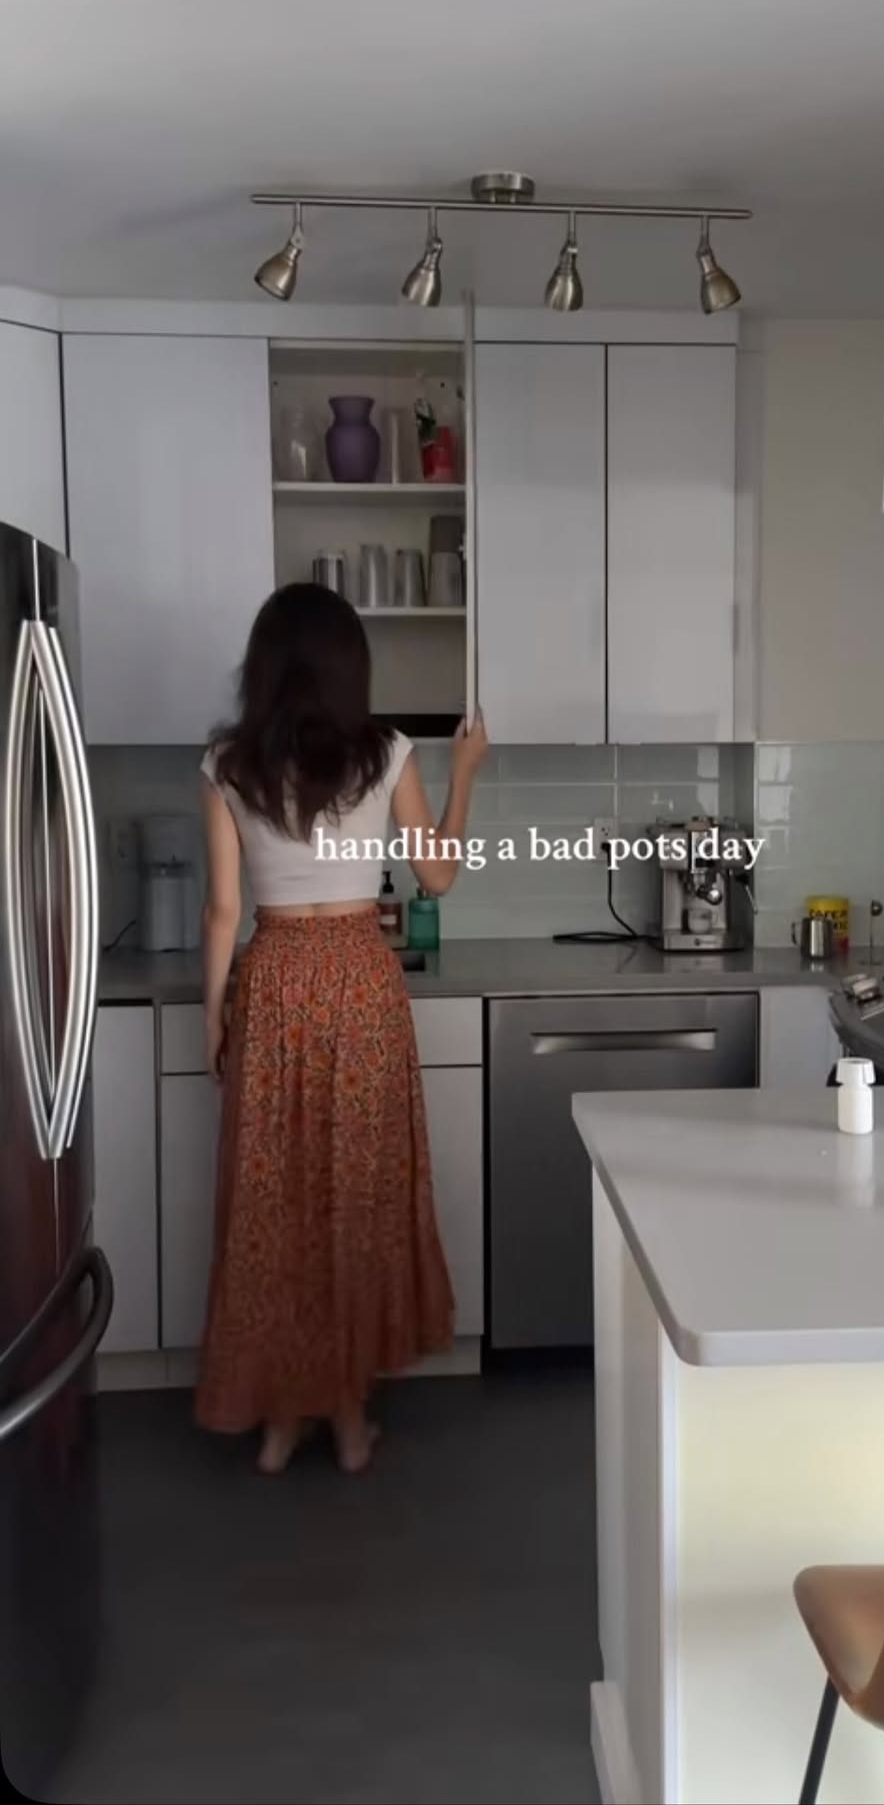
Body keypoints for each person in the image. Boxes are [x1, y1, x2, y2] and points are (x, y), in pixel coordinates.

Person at [194, 582, 488, 1474]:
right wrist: (466, 772)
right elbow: (437, 878)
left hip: (277, 983)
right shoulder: (387, 751)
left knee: (277, 1206)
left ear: (264, 669)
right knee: (354, 1201)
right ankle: (350, 1420)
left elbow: (222, 911)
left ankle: (284, 1422)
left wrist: (214, 1016)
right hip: (360, 983)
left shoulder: (228, 765)